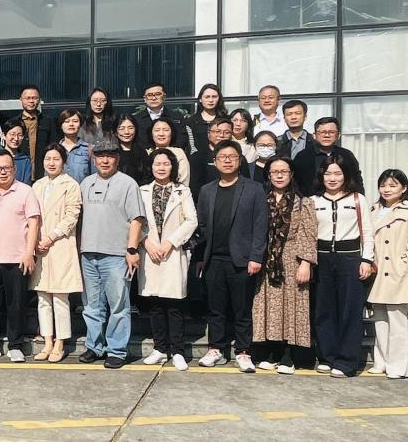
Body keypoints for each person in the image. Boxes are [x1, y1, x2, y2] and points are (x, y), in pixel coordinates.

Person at [193, 141, 268, 373]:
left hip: (242, 260)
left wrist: (256, 256)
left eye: (232, 156)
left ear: (239, 160)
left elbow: (260, 225)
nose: (227, 160)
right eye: (222, 157)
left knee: (242, 309)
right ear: (215, 162)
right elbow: (202, 226)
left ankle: (243, 351)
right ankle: (216, 348)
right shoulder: (207, 190)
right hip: (214, 258)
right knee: (215, 308)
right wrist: (200, 257)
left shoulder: (254, 189)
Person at [76, 139, 144, 369]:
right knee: (91, 306)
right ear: (94, 159)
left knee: (118, 305)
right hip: (88, 253)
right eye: (100, 156)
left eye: (110, 156)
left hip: (116, 254)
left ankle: (116, 350)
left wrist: (132, 249)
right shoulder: (86, 183)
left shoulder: (128, 184)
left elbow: (137, 219)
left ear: (117, 159)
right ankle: (94, 346)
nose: (105, 160)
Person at [311, 154, 376, 378]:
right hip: (321, 259)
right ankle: (326, 357)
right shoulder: (313, 201)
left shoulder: (358, 199)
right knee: (323, 309)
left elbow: (368, 232)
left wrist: (366, 260)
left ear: (346, 175)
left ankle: (347, 361)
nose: (332, 178)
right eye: (328, 173)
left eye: (337, 173)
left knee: (350, 310)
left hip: (350, 258)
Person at [251, 156, 317, 375]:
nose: (279, 176)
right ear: (268, 175)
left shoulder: (303, 202)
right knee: (269, 307)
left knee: (291, 307)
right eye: (274, 172)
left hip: (292, 258)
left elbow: (308, 234)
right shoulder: (261, 199)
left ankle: (289, 355)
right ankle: (271, 352)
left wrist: (305, 263)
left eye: (284, 171)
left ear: (291, 174)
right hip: (267, 258)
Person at [0, 150, 40, 363]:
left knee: (16, 304)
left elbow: (34, 224)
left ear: (14, 169)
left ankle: (15, 345)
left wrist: (29, 253)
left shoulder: (26, 191)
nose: (3, 172)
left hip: (17, 258)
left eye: (7, 168)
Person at [137, 149, 198, 371]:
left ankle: (178, 351)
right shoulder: (142, 191)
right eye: (157, 163)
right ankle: (160, 348)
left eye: (166, 163)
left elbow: (191, 220)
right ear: (151, 166)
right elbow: (134, 220)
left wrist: (170, 242)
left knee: (174, 305)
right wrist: (146, 243)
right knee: (155, 303)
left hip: (172, 252)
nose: (161, 167)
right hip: (150, 252)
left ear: (173, 167)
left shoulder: (183, 191)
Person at [367, 169, 408, 380]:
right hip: (376, 271)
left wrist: (404, 264)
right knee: (380, 319)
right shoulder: (373, 209)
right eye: (383, 185)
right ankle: (381, 361)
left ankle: (399, 366)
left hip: (397, 271)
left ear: (403, 188)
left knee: (398, 320)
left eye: (393, 185)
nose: (387, 189)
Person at [29, 144, 83, 363]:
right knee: (43, 297)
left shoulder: (71, 185)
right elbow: (31, 216)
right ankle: (47, 341)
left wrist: (50, 238)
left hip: (60, 243)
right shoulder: (37, 185)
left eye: (56, 159)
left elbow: (72, 217)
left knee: (60, 297)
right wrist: (35, 242)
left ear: (64, 162)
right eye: (48, 159)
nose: (51, 163)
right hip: (39, 246)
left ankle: (60, 342)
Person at [293, 117, 363, 198]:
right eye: (322, 132)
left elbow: (357, 181)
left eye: (331, 132)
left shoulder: (346, 155)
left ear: (338, 135)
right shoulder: (303, 156)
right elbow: (296, 184)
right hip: (311, 202)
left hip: (343, 201)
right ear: (314, 135)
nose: (327, 135)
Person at [16, 85, 57, 180]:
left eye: (34, 98)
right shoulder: (13, 122)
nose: (31, 101)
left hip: (42, 173)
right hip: (20, 172)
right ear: (21, 99)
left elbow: (54, 146)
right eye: (27, 98)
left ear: (39, 100)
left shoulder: (48, 122)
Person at [133, 82, 186, 152]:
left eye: (157, 94)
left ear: (164, 97)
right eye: (149, 95)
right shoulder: (136, 119)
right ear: (144, 99)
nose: (154, 98)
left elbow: (182, 139)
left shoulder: (176, 117)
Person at [189, 118, 233, 199]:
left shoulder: (237, 157)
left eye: (226, 132)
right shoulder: (198, 156)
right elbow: (195, 186)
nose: (221, 135)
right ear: (209, 134)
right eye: (217, 131)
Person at [0, 118, 32, 188]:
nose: (16, 138)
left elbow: (26, 187)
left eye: (19, 135)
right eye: (12, 134)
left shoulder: (25, 160)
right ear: (4, 135)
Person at [186, 84, 227, 155]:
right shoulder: (190, 122)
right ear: (200, 99)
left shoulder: (226, 120)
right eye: (207, 97)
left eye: (214, 97)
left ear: (219, 99)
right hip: (197, 159)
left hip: (222, 157)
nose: (210, 100)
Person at [148, 117, 190, 187]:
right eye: (157, 130)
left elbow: (184, 179)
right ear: (151, 134)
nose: (161, 134)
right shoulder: (147, 153)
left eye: (166, 130)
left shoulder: (179, 153)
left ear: (172, 133)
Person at [58, 109, 95, 182]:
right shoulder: (54, 150)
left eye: (75, 121)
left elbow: (94, 177)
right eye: (67, 121)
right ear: (61, 125)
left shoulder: (89, 149)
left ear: (80, 125)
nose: (71, 124)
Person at [115, 115, 148, 185]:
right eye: (121, 128)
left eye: (130, 128)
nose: (126, 132)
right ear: (115, 130)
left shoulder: (142, 152)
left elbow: (147, 176)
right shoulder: (111, 152)